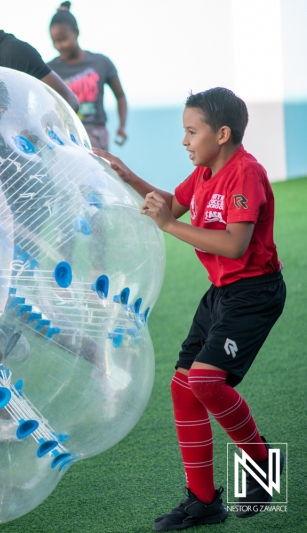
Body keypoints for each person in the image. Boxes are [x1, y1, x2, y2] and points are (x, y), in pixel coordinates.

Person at [96, 88, 285, 531]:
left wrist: (169, 225)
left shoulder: (246, 174)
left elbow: (235, 246)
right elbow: (171, 202)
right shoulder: (202, 175)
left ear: (221, 134)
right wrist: (127, 175)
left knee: (204, 379)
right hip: (220, 293)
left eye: (190, 131)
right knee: (184, 388)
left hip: (254, 292)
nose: (184, 140)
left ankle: (261, 460)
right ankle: (203, 503)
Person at [48, 2, 127, 151]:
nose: (59, 46)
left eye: (63, 39)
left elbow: (120, 95)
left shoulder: (100, 62)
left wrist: (122, 126)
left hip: (95, 132)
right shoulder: (49, 69)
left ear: (76, 32)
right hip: (65, 131)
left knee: (95, 170)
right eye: (55, 41)